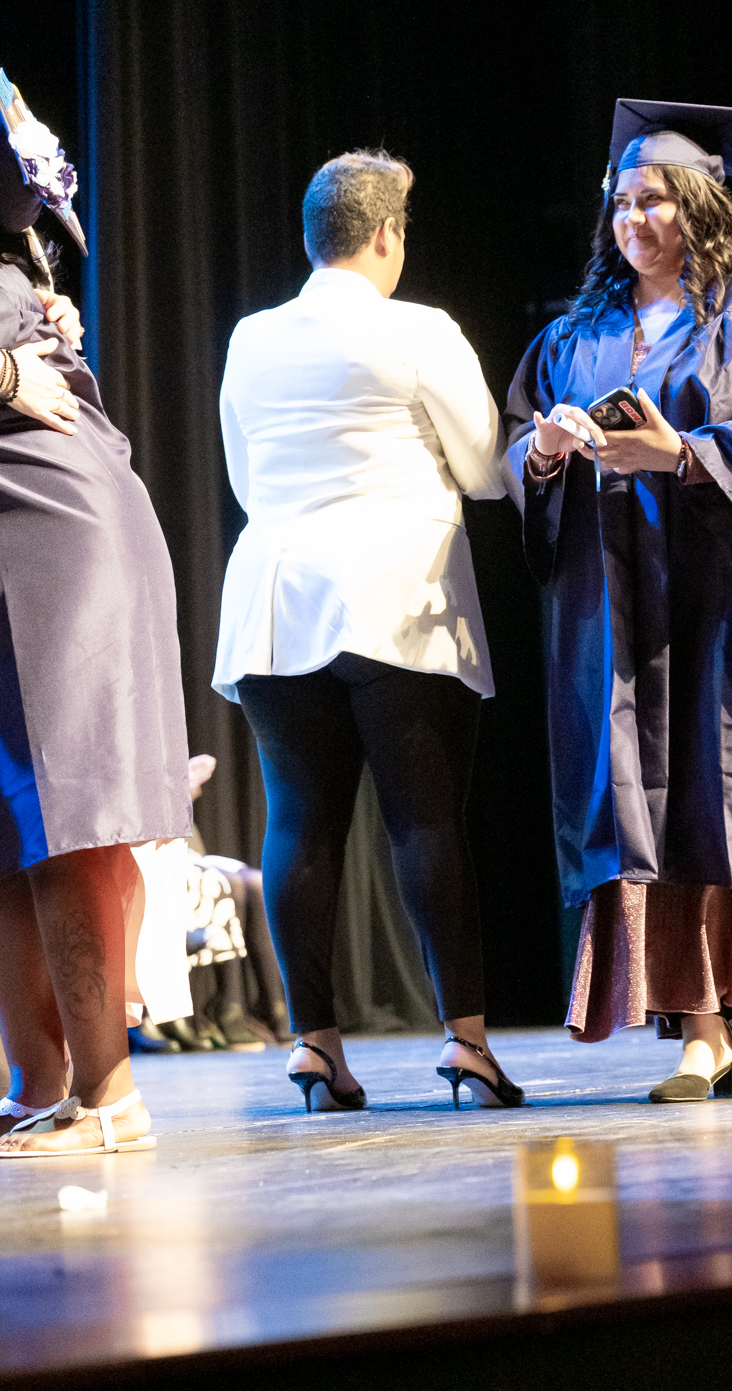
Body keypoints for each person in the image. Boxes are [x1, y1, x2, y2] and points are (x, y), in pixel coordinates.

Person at [504, 99, 732, 1102]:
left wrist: (684, 455)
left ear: (700, 206)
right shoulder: (577, 332)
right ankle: (702, 1037)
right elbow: (518, 445)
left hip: (729, 591)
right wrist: (545, 452)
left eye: (656, 200)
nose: (634, 218)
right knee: (649, 814)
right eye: (622, 202)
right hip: (620, 604)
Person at [213, 149, 523, 1112]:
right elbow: (488, 469)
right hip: (395, 597)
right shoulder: (420, 329)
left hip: (277, 596)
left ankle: (315, 1047)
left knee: (298, 821)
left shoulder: (251, 338)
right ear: (388, 233)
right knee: (424, 821)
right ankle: (466, 1044)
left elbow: (245, 478)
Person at [0, 79, 191, 1154]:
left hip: (51, 536)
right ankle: (43, 1083)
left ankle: (109, 1096)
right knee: (12, 817)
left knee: (64, 807)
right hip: (33, 528)